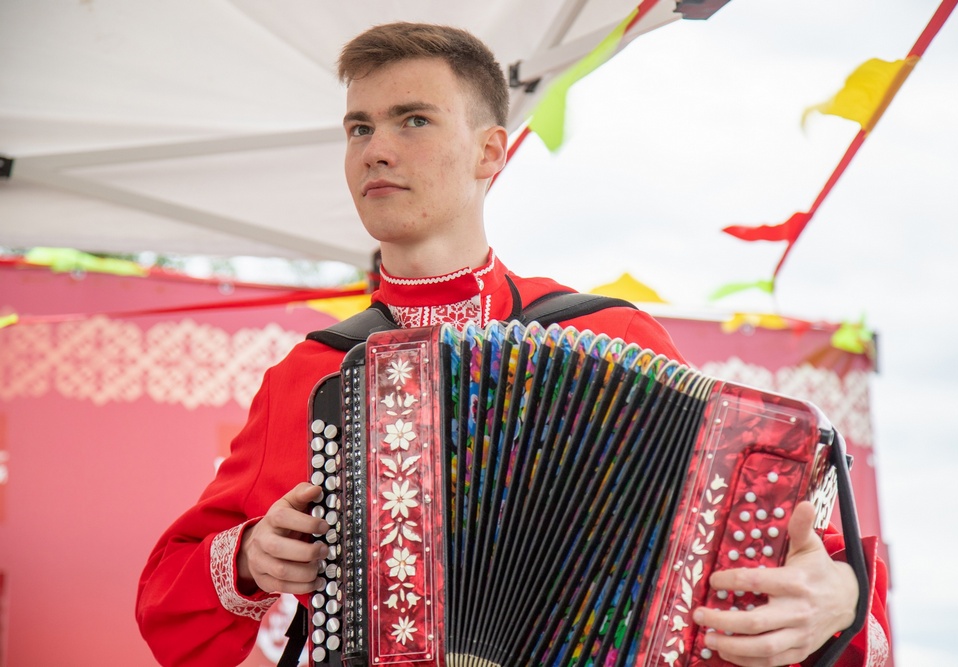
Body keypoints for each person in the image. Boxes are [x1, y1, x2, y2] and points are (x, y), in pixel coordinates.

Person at [136, 22, 889, 667]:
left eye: (413, 120)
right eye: (359, 127)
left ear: (491, 151)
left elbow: (802, 550)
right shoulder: (310, 373)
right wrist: (248, 558)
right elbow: (166, 596)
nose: (375, 149)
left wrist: (843, 596)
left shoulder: (607, 335)